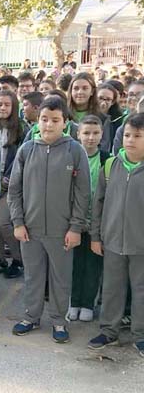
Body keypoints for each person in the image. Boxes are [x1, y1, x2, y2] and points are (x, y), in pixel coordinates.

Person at [8, 95, 90, 343]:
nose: (48, 125)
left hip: (61, 230)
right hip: (30, 229)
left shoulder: (75, 151)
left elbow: (82, 193)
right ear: (38, 120)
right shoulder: (27, 149)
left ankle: (58, 321)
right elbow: (14, 189)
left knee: (60, 279)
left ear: (65, 122)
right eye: (44, 119)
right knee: (33, 275)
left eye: (55, 120)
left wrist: (75, 227)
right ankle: (31, 317)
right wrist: (18, 222)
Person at [88, 113, 144, 356]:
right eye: (128, 135)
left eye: (138, 136)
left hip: (140, 244)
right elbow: (98, 203)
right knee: (111, 288)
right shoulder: (111, 165)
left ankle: (140, 334)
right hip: (111, 241)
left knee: (141, 289)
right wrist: (96, 236)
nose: (130, 140)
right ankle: (108, 330)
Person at [67, 115, 108, 323]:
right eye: (86, 133)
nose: (90, 138)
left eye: (95, 133)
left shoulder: (107, 160)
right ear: (77, 134)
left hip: (96, 224)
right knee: (74, 265)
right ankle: (73, 302)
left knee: (93, 265)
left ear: (102, 134)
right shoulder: (71, 157)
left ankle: (88, 303)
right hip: (75, 222)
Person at [0, 90, 28, 278]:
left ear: (14, 107)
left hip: (9, 184)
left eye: (6, 105)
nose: (2, 108)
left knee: (3, 222)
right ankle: (0, 259)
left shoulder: (21, 129)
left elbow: (22, 157)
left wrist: (9, 178)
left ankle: (19, 259)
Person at [67, 73, 111, 152]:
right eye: (76, 88)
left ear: (92, 91)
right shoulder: (62, 116)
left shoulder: (102, 119)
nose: (80, 92)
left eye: (85, 88)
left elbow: (104, 147)